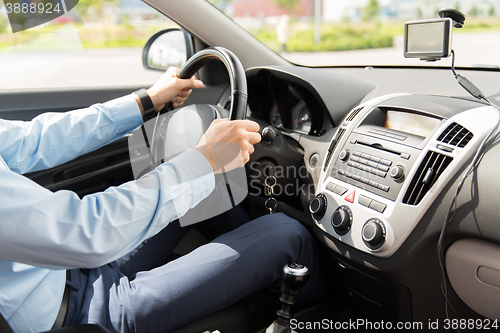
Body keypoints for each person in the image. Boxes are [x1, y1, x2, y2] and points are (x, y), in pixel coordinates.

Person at [0, 67, 327, 333]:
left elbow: (32, 141)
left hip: (66, 268)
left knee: (208, 188)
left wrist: (147, 101)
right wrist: (204, 159)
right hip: (83, 316)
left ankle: (257, 286)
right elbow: (85, 231)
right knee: (288, 236)